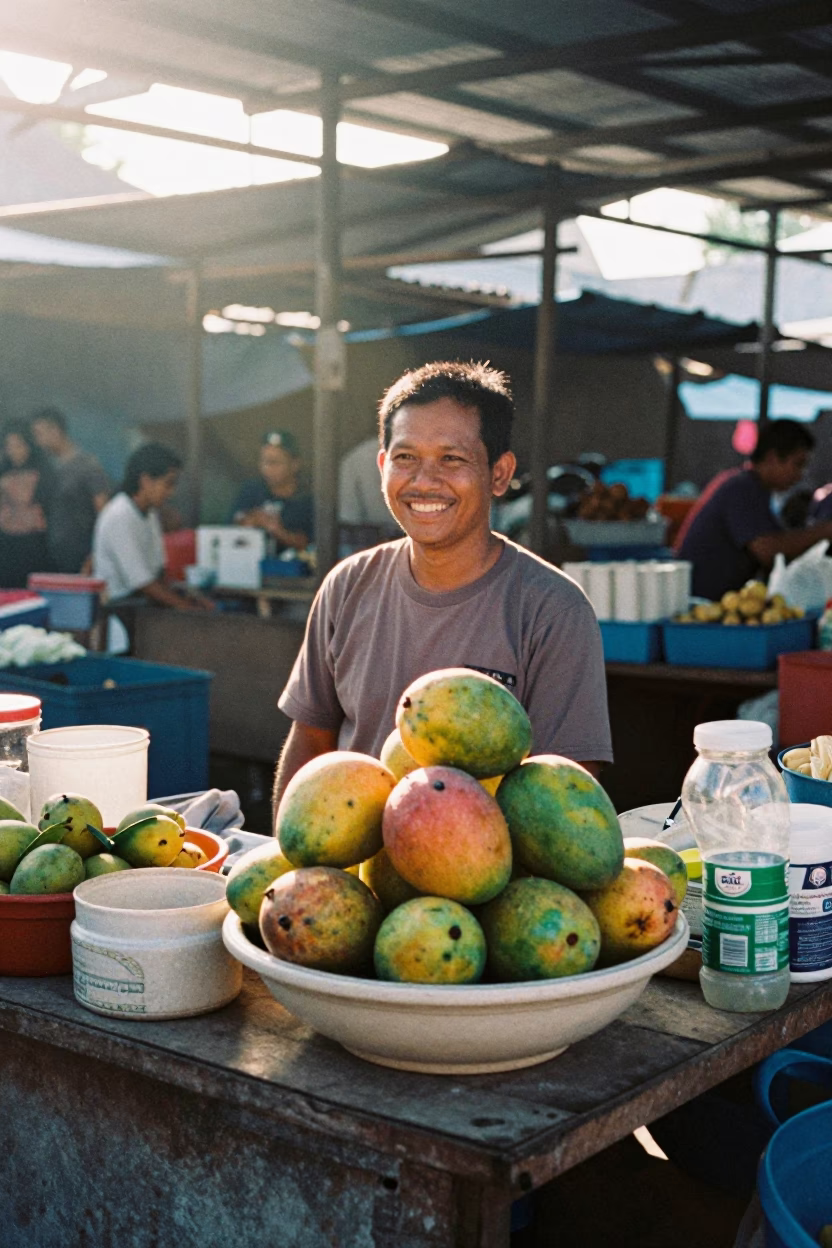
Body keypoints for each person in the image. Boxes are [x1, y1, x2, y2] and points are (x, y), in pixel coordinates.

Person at [274, 360, 613, 812]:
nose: (424, 481)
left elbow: (568, 796)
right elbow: (311, 742)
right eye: (405, 458)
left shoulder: (553, 610)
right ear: (382, 467)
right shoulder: (346, 586)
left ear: (499, 474)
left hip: (486, 875)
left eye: (451, 459)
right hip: (349, 872)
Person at [675, 420, 832, 601]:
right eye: (798, 464)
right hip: (701, 606)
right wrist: (824, 531)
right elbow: (770, 552)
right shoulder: (742, 489)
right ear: (772, 457)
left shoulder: (753, 490)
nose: (801, 474)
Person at [93, 443, 213, 622]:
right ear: (146, 481)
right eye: (168, 484)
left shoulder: (150, 513)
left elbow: (159, 570)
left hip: (143, 604)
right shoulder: (119, 514)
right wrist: (186, 607)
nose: (171, 492)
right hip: (119, 609)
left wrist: (187, 596)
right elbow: (142, 582)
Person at [29, 407, 111, 574]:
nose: (37, 441)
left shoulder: (87, 466)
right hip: (54, 554)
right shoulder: (47, 467)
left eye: (39, 434)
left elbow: (104, 513)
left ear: (56, 430)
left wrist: (95, 554)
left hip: (82, 554)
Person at [230, 431, 314, 553]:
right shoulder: (251, 490)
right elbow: (227, 531)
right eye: (264, 462)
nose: (267, 469)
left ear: (295, 464)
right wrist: (250, 521)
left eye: (274, 463)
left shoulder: (308, 499)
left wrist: (278, 531)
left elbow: (313, 544)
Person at [0, 420, 54, 588]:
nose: (14, 451)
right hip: (7, 543)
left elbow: (26, 498)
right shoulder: (4, 471)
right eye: (9, 446)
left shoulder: (42, 470)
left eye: (18, 445)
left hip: (33, 543)